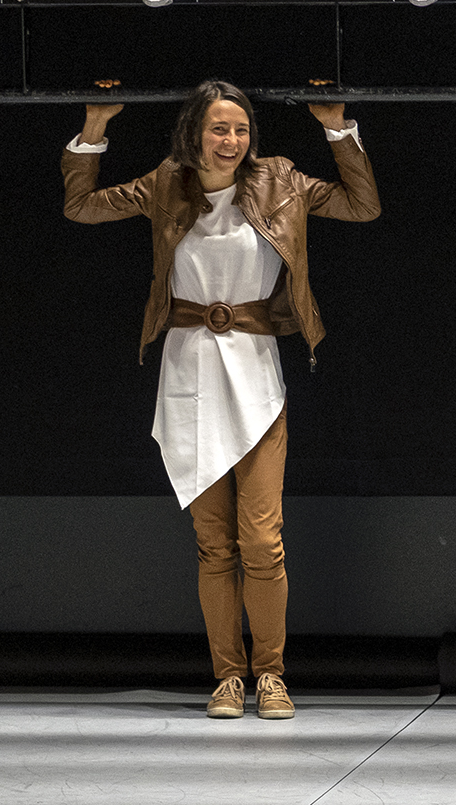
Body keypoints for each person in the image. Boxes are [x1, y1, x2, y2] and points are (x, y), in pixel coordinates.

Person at [62, 82, 380, 720]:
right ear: (194, 133)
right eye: (218, 128)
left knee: (262, 541)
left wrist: (337, 129)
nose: (231, 140)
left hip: (255, 375)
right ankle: (228, 677)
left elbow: (361, 205)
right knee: (214, 544)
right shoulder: (165, 183)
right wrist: (94, 127)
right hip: (188, 372)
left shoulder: (280, 180)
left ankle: (272, 676)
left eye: (240, 129)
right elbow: (82, 206)